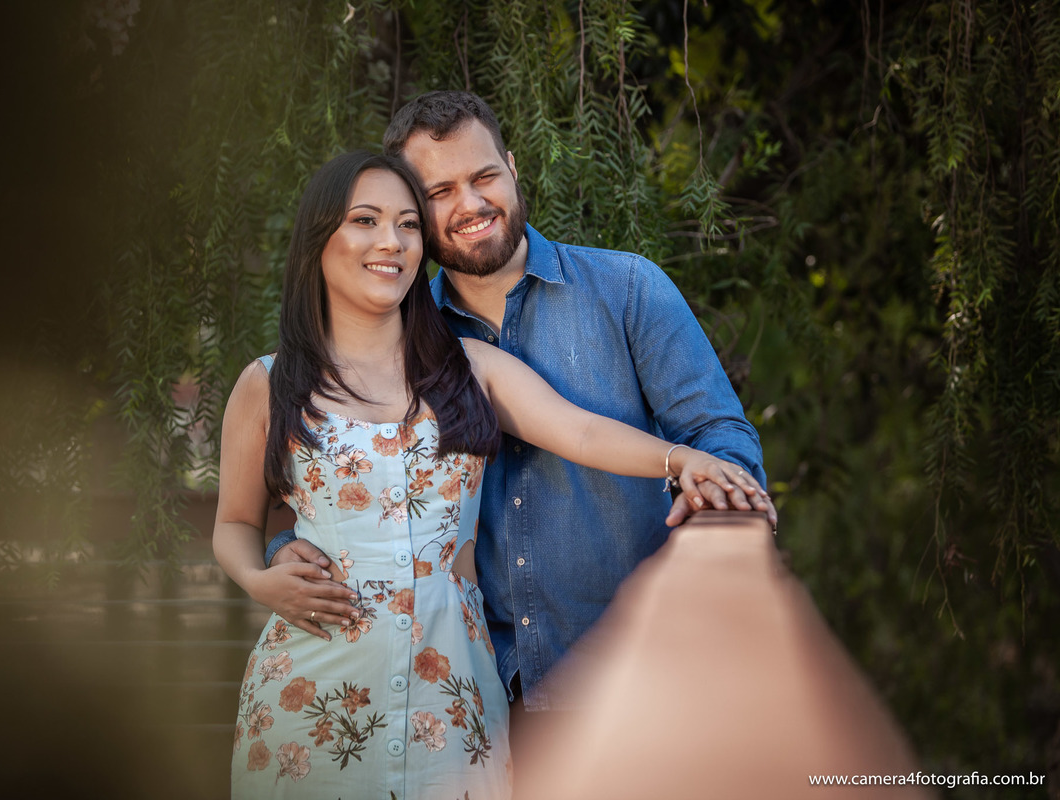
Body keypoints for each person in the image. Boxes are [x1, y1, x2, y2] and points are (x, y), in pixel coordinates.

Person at [215, 150, 771, 798]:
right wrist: (259, 578)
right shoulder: (267, 382)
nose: (390, 241)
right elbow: (234, 521)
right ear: (319, 240)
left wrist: (686, 460)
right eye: (365, 221)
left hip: (451, 688)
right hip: (315, 684)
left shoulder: (466, 367)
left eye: (407, 224)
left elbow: (581, 430)